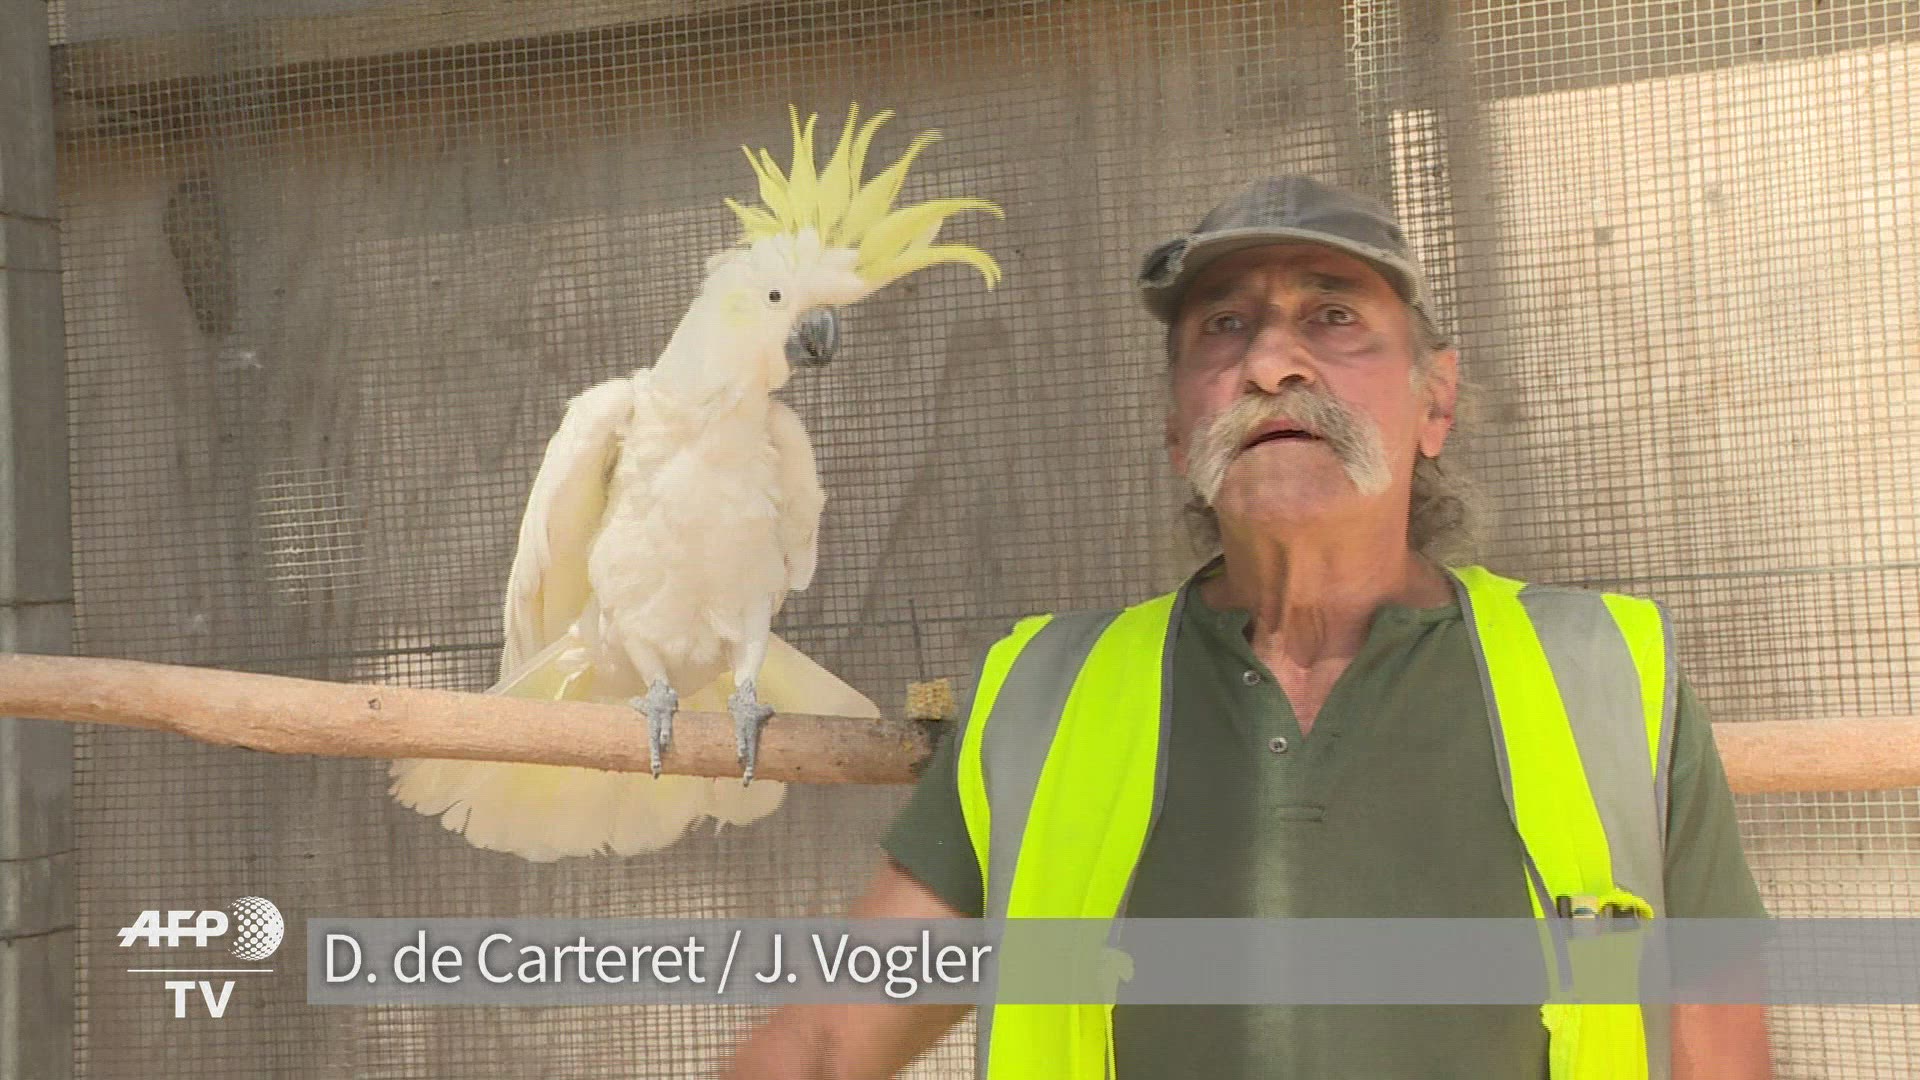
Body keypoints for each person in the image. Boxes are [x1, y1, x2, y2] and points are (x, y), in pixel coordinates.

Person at [723, 176, 1772, 1079]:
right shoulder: (1043, 698)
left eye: (1335, 317)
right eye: (1224, 327)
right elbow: (824, 1041)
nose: (1273, 364)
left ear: (1436, 402)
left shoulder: (1608, 678)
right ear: (1179, 430)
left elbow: (1716, 1053)